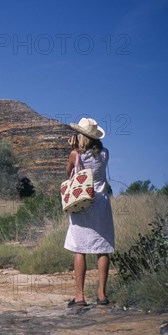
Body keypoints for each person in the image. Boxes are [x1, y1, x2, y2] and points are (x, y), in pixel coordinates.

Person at [64, 118, 115, 307]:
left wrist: (74, 151)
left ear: (81, 137)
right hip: (101, 204)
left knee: (80, 248)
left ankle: (79, 297)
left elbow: (68, 174)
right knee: (102, 247)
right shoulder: (105, 153)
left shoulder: (75, 155)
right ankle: (102, 295)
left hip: (82, 203)